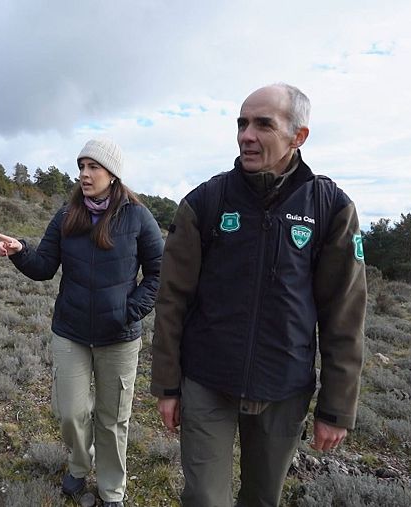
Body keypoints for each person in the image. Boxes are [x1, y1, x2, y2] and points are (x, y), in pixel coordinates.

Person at [151, 83, 367, 507]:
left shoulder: (330, 207)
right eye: (242, 124)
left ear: (298, 136)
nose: (246, 135)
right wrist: (167, 385)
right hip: (206, 378)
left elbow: (344, 313)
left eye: (263, 124)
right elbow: (172, 298)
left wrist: (336, 407)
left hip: (284, 386)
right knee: (203, 498)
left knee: (262, 499)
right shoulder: (206, 201)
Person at [0, 138, 163, 506]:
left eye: (93, 167)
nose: (84, 174)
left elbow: (159, 272)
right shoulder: (67, 215)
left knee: (113, 419)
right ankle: (80, 465)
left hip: (119, 336)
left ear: (112, 174)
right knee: (70, 412)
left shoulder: (137, 217)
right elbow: (44, 267)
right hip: (71, 332)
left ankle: (112, 490)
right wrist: (20, 251)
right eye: (81, 166)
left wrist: (129, 311)